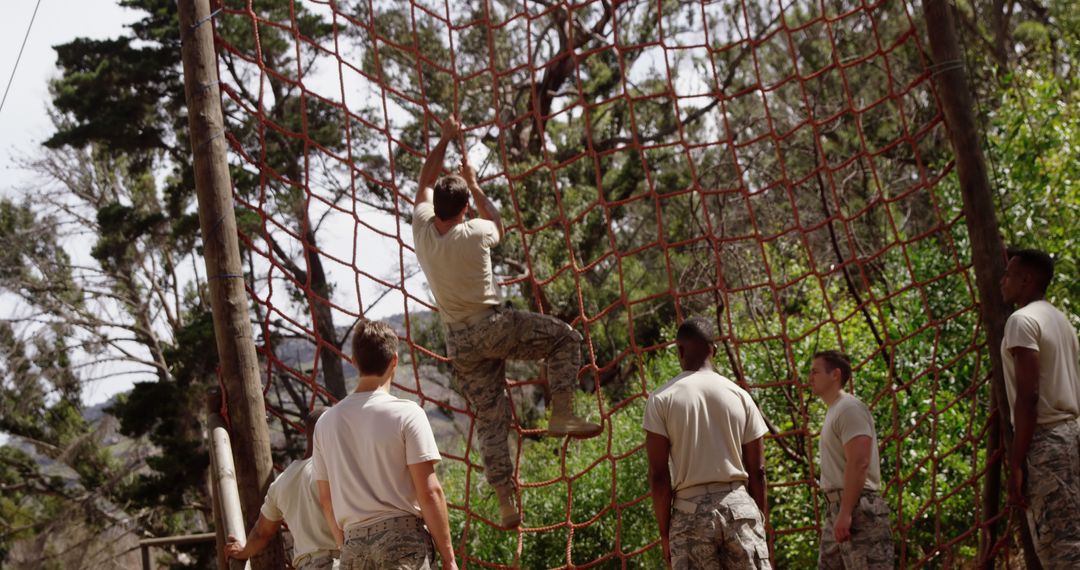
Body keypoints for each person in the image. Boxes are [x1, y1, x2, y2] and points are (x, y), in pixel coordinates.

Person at [411, 115, 601, 528]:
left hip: (458, 343)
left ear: (435, 208)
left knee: (491, 418)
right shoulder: (476, 231)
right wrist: (476, 185)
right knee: (565, 339)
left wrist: (444, 139)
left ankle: (505, 503)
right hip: (492, 326)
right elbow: (498, 222)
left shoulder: (422, 233)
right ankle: (563, 411)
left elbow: (424, 182)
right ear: (463, 209)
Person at [313, 320, 457, 570]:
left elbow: (325, 499)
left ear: (354, 361)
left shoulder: (325, 422)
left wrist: (347, 544)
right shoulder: (407, 414)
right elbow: (429, 492)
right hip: (401, 541)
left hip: (353, 546)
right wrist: (449, 559)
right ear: (394, 360)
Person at [642, 317, 771, 569]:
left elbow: (659, 476)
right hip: (740, 507)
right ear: (715, 349)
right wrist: (758, 522)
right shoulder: (740, 396)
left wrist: (665, 534)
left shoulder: (661, 399)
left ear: (680, 351)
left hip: (689, 513)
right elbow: (758, 471)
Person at [1000, 247, 1080, 567]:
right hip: (1072, 435)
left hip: (1046, 443)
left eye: (1009, 274)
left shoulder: (1021, 321)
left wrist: (1017, 462)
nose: (1002, 281)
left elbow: (1029, 396)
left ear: (1027, 279)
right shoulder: (1060, 320)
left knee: (1061, 549)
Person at [809, 350, 894, 569]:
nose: (810, 378)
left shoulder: (849, 408)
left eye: (815, 372)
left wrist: (846, 512)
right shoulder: (834, 410)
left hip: (858, 509)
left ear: (835, 374)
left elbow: (859, 461)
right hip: (838, 508)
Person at [225, 407, 339, 569]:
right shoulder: (335, 468)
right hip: (339, 561)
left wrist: (243, 552)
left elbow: (261, 532)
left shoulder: (282, 482)